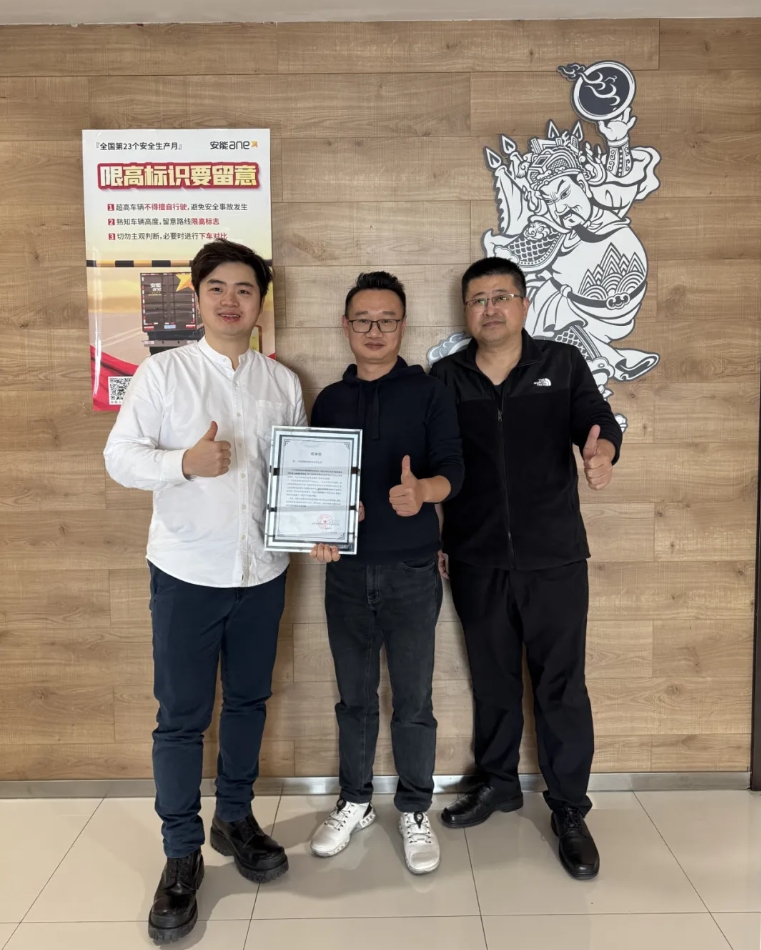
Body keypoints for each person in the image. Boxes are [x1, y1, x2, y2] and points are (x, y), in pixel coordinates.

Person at [104, 239, 306, 943]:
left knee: (249, 701)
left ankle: (235, 819)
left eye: (244, 289)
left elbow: (295, 475)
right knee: (182, 718)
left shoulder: (282, 383)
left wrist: (322, 519)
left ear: (260, 303)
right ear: (197, 299)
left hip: (263, 574)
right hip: (187, 575)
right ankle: (181, 851)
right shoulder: (163, 374)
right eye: (217, 288)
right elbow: (119, 457)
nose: (230, 300)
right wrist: (183, 463)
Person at [429, 256, 622, 881]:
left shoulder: (560, 363)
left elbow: (598, 421)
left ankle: (569, 809)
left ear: (523, 304)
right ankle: (498, 782)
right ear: (466, 311)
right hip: (475, 556)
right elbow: (435, 460)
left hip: (555, 556)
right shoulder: (446, 376)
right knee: (492, 679)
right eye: (478, 299)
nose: (490, 309)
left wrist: (602, 451)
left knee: (561, 684)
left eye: (501, 297)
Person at [307, 271, 464, 875]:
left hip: (412, 571)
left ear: (403, 325)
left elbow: (455, 469)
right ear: (346, 326)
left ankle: (416, 808)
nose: (374, 331)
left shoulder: (429, 392)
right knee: (354, 699)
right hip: (345, 575)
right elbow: (312, 482)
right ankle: (354, 801)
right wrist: (321, 527)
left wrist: (423, 491)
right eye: (363, 320)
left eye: (387, 320)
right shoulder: (329, 399)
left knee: (414, 701)